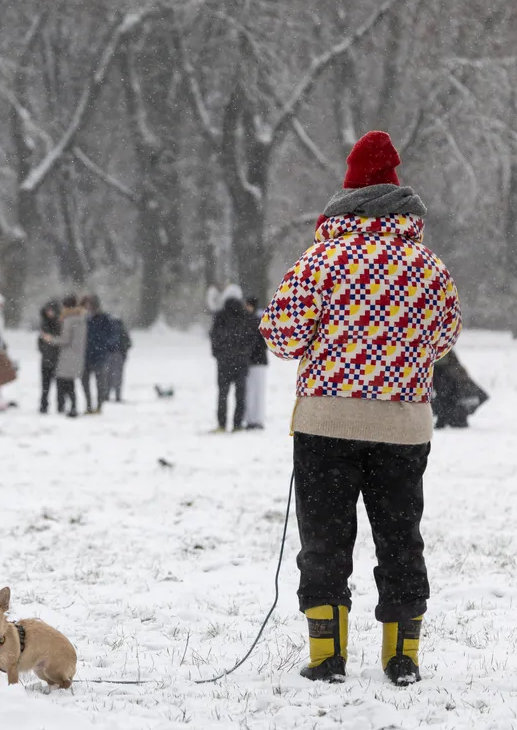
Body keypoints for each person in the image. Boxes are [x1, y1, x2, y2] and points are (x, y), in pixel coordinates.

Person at [260, 130, 462, 686]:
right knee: (401, 537)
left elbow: (280, 335)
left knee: (325, 539)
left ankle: (327, 656)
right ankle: (403, 657)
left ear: (345, 195)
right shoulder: (428, 265)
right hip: (404, 425)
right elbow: (445, 338)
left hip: (327, 422)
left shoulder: (319, 260)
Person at [209, 285, 254, 432]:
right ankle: (237, 424)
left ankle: (222, 424)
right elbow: (251, 337)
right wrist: (246, 353)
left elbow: (214, 336)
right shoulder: (245, 315)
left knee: (223, 393)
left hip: (224, 362)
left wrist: (218, 354)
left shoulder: (220, 315)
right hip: (241, 361)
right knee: (240, 394)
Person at [45, 295, 87, 418]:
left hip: (67, 356)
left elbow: (65, 339)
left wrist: (50, 339)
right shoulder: (81, 319)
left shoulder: (69, 320)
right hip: (77, 355)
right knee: (71, 383)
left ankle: (63, 407)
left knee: (63, 383)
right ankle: (73, 406)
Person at [432, 350, 488, 429]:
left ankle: (451, 417)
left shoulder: (447, 370)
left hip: (457, 388)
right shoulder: (450, 365)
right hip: (458, 388)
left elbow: (444, 397)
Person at [82, 295, 115, 415]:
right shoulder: (82, 319)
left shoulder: (104, 318)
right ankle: (89, 405)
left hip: (99, 356)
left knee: (100, 383)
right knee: (85, 383)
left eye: (89, 304)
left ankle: (99, 406)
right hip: (84, 356)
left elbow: (112, 335)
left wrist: (104, 346)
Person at [244, 297, 269, 430]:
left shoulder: (250, 321)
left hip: (254, 361)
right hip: (259, 361)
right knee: (255, 392)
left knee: (254, 391)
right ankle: (254, 419)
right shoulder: (260, 321)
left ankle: (254, 419)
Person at [38, 300, 62, 413]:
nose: (49, 313)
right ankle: (44, 405)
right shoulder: (44, 323)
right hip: (46, 358)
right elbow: (40, 341)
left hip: (57, 358)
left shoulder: (60, 324)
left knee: (59, 385)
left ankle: (60, 405)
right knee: (45, 386)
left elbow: (61, 340)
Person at [105, 316, 131, 402]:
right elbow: (128, 343)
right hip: (119, 354)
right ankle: (118, 395)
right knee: (118, 376)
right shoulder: (122, 330)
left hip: (109, 354)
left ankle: (106, 395)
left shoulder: (108, 330)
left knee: (108, 376)